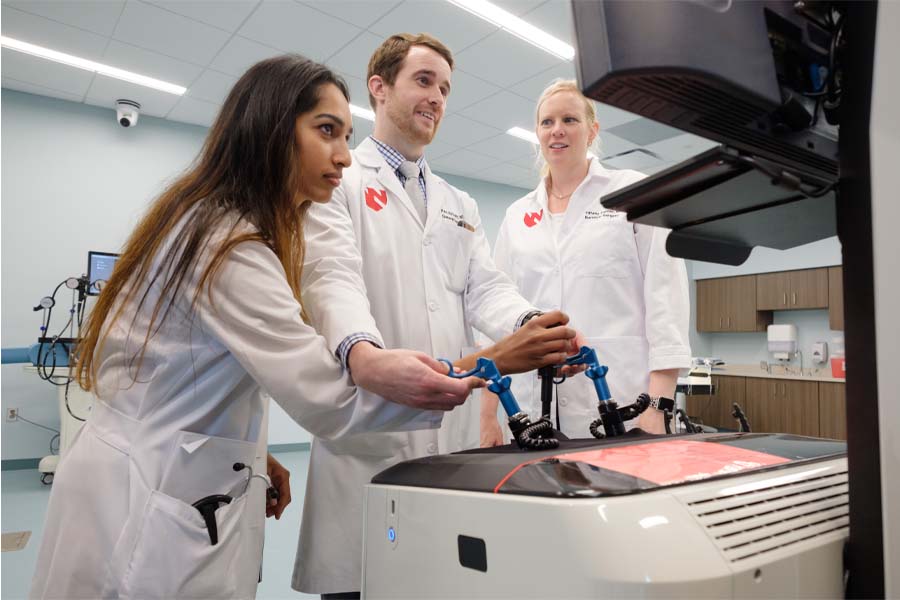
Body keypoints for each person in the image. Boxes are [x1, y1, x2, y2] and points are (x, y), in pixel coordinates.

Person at [29, 55, 485, 600]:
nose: (342, 156)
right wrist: (485, 367)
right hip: (145, 492)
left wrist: (252, 451)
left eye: (346, 135)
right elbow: (328, 398)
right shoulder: (229, 247)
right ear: (270, 130)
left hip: (164, 462)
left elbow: (185, 371)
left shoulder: (216, 218)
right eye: (325, 131)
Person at [293, 34, 580, 597]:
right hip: (371, 426)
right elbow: (331, 279)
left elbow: (485, 290)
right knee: (364, 580)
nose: (437, 98)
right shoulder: (339, 182)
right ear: (379, 88)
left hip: (449, 431)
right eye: (424, 81)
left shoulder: (458, 204)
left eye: (445, 89)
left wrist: (535, 325)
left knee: (440, 579)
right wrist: (362, 352)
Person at [480, 79, 691, 446]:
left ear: (592, 130)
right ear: (538, 133)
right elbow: (496, 321)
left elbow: (666, 303)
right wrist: (486, 415)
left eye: (569, 119)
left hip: (622, 400)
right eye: (547, 122)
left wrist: (658, 406)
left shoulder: (632, 193)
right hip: (531, 406)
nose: (557, 130)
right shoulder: (518, 216)